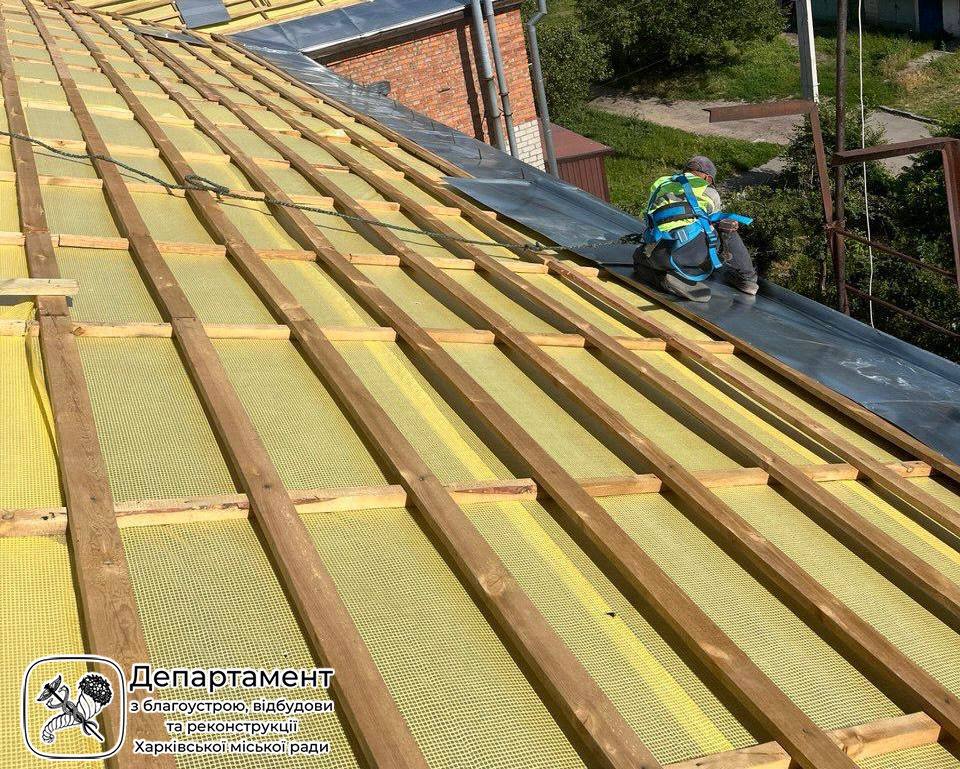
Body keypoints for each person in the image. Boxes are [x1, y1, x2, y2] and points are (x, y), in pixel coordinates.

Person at [633, 156, 759, 302]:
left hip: (657, 252)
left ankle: (661, 277)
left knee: (639, 258)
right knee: (725, 225)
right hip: (692, 254)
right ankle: (747, 279)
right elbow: (713, 223)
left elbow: (647, 218)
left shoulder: (661, 183)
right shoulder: (709, 191)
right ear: (708, 178)